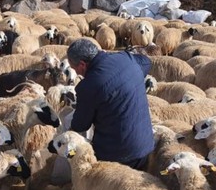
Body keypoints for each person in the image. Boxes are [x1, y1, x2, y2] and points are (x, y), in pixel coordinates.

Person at [66, 39, 154, 170]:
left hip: (116, 157)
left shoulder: (88, 87)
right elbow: (147, 62)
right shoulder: (126, 57)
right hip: (145, 147)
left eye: (74, 68)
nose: (76, 73)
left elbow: (80, 125)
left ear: (82, 65)